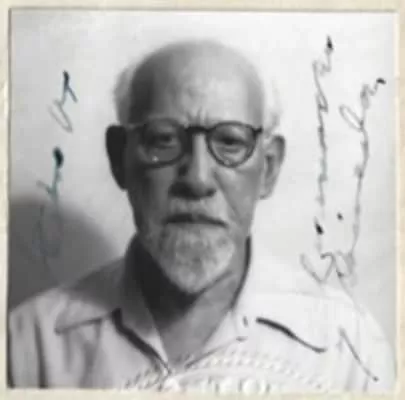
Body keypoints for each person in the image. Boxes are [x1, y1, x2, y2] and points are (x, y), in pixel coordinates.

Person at [8, 39, 395, 393]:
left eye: (230, 142)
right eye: (163, 139)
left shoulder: (350, 351)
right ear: (119, 158)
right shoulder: (28, 346)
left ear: (269, 168)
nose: (196, 180)